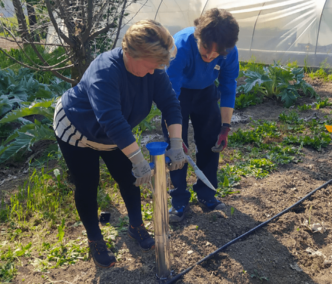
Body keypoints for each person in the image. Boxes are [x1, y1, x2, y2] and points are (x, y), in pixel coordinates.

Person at [53, 19, 186, 269]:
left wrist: (176, 143)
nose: (153, 72)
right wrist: (138, 161)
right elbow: (112, 122)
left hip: (114, 133)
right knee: (87, 182)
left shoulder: (153, 68)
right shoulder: (105, 72)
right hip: (77, 128)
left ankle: (136, 226)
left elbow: (170, 104)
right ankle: (95, 238)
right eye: (150, 66)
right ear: (129, 53)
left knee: (128, 178)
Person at [162, 8, 240, 222]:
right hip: (178, 94)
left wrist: (225, 127)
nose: (209, 56)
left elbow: (228, 86)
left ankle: (206, 194)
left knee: (210, 142)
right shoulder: (180, 47)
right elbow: (170, 96)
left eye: (216, 54)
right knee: (176, 150)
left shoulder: (229, 51)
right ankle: (178, 199)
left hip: (206, 91)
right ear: (198, 36)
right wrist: (176, 138)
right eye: (206, 49)